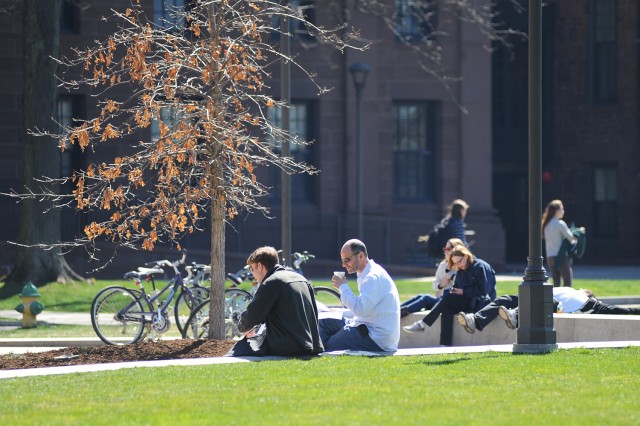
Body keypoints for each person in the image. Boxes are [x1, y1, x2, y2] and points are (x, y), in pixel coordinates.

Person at [227, 246, 324, 357]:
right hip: (312, 344)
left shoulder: (271, 282)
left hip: (288, 346)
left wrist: (241, 326)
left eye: (252, 268)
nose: (252, 274)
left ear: (260, 266)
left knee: (238, 350)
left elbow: (252, 317)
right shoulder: (301, 278)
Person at [403, 245, 496, 346]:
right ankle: (444, 344)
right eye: (455, 263)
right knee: (447, 309)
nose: (458, 265)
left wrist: (463, 291)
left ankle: (422, 324)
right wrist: (455, 291)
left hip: (480, 304)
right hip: (467, 302)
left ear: (466, 256)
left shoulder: (480, 266)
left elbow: (484, 291)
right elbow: (458, 288)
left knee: (447, 299)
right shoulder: (460, 270)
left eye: (459, 262)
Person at [318, 239, 400, 352]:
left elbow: (360, 309)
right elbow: (365, 310)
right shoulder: (366, 273)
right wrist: (337, 312)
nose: (343, 265)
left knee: (327, 347)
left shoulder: (373, 277)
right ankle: (316, 349)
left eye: (347, 260)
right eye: (342, 261)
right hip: (364, 325)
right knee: (323, 321)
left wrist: (343, 287)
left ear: (361, 256)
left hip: (376, 338)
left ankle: (319, 351)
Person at [456, 287, 640, 333]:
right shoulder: (568, 289)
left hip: (549, 305)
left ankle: (515, 316)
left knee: (547, 298)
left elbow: (618, 310)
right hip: (535, 295)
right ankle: (476, 321)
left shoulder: (592, 303)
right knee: (505, 298)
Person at [400, 238, 465, 318]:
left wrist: (451, 277)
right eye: (445, 249)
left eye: (448, 249)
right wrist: (440, 285)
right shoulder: (443, 265)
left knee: (426, 298)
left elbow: (463, 284)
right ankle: (396, 309)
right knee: (420, 296)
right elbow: (435, 286)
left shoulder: (462, 265)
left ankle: (399, 314)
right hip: (442, 300)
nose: (446, 251)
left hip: (453, 302)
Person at [542, 199, 585, 287]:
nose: (563, 211)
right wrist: (580, 231)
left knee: (556, 283)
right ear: (557, 211)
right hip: (560, 256)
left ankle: (555, 300)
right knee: (567, 282)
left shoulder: (546, 225)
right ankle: (566, 301)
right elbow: (571, 238)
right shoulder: (560, 223)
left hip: (550, 257)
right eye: (562, 209)